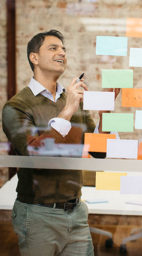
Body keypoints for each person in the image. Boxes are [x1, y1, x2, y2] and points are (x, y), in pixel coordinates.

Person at [2, 29, 117, 256]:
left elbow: (98, 152)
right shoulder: (16, 106)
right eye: (53, 48)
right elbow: (35, 153)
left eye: (63, 49)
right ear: (34, 58)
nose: (61, 52)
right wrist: (67, 112)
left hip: (77, 212)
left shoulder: (71, 98)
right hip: (37, 215)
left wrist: (105, 116)